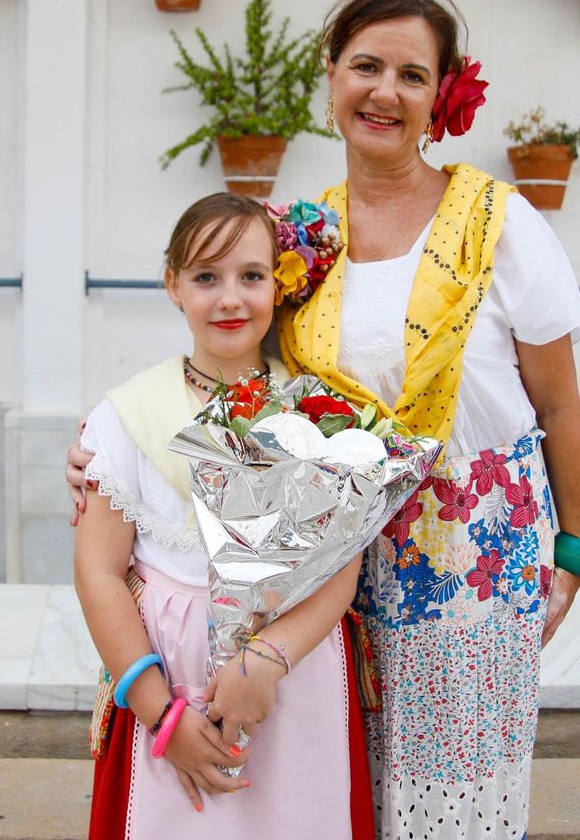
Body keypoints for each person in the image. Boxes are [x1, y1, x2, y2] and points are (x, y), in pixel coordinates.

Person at [73, 0, 580, 839]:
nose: (384, 91)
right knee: (329, 787)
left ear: (442, 95)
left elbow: (562, 402)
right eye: (366, 66)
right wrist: (105, 461)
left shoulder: (500, 225)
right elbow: (240, 369)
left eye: (411, 74)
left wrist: (576, 551)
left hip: (465, 554)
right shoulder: (299, 237)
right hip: (314, 561)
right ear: (331, 76)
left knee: (449, 805)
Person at [74, 192, 373, 839]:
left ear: (280, 284)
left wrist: (267, 658)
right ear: (173, 285)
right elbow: (98, 572)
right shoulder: (127, 415)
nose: (230, 298)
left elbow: (340, 575)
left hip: (292, 676)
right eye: (206, 277)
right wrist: (162, 716)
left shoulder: (315, 415)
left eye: (252, 276)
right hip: (171, 687)